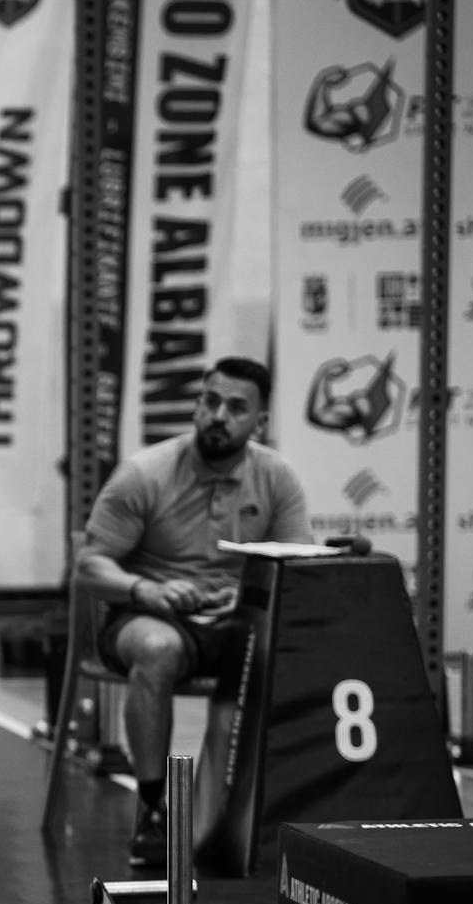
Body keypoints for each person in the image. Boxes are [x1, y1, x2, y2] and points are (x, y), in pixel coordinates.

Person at [75, 357, 310, 867]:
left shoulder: (277, 477)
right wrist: (144, 590)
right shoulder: (144, 474)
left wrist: (247, 596)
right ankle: (152, 812)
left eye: (235, 407)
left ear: (260, 423)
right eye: (210, 401)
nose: (217, 415)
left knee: (294, 651)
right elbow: (90, 568)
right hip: (147, 616)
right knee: (158, 650)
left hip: (231, 622)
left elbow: (299, 568)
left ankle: (248, 815)